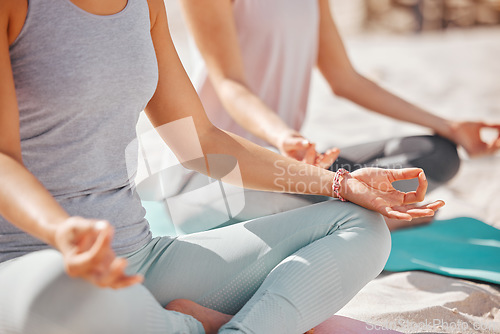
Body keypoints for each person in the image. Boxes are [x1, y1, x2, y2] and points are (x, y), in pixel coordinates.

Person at [0, 0, 444, 333]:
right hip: (34, 264)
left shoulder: (144, 6)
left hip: (142, 259)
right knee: (49, 297)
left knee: (360, 225)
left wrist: (340, 184)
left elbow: (202, 144)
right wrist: (61, 231)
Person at [167, 0, 500, 232]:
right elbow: (230, 84)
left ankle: (348, 212)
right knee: (263, 194)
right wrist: (283, 136)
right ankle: (361, 214)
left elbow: (345, 79)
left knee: (435, 154)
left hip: (295, 165)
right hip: (223, 170)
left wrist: (448, 126)